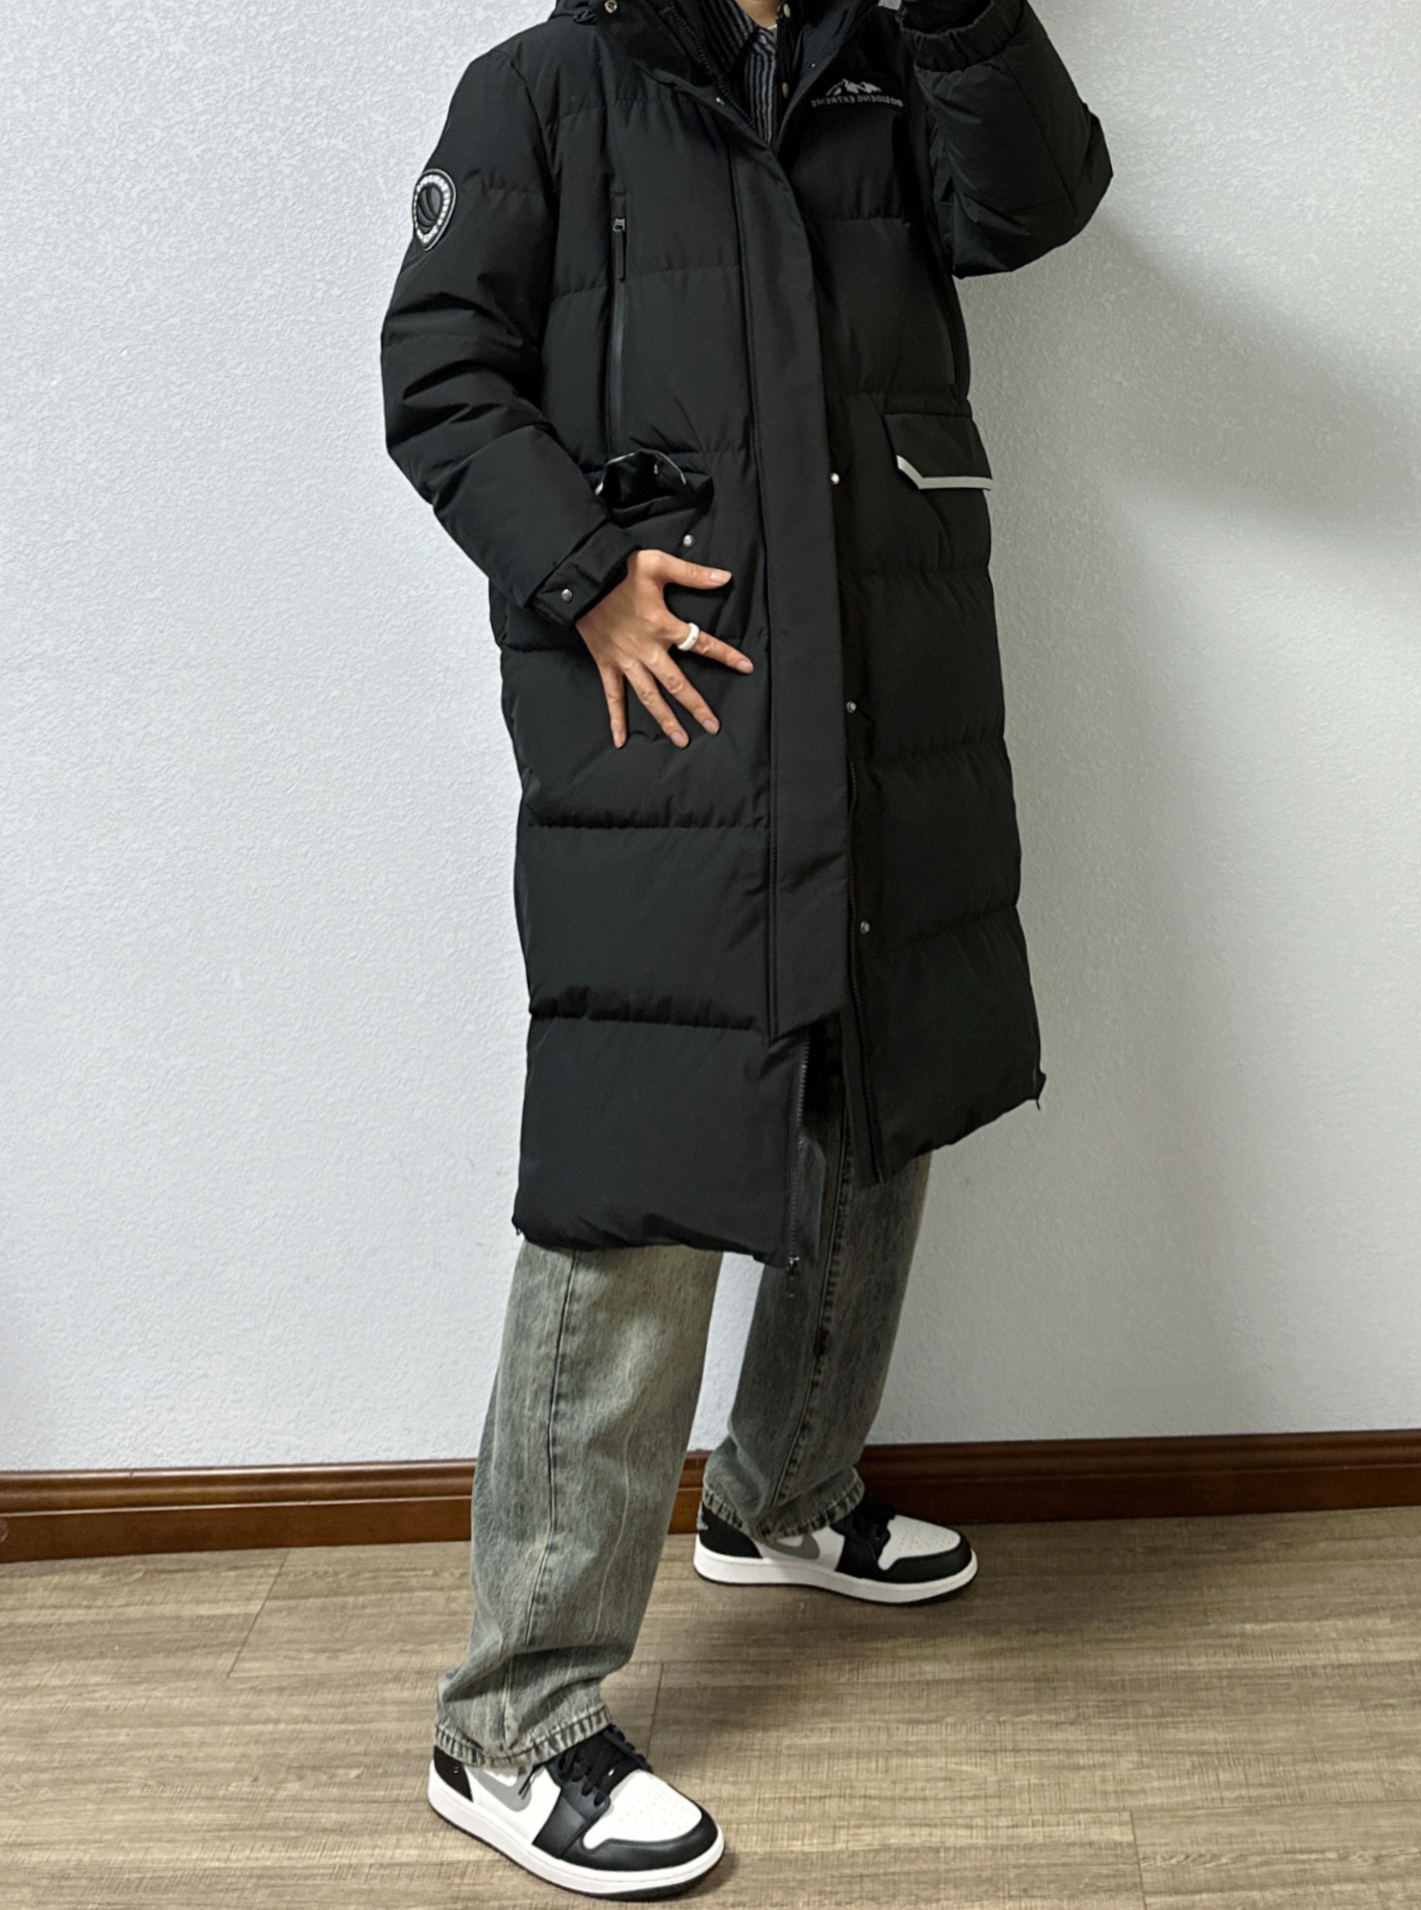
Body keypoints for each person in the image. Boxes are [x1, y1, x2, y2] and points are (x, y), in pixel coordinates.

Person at [380, 0, 1111, 1892]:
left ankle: (783, 1495)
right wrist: (579, 574)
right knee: (640, 1164)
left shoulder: (893, 66)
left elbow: (1035, 202)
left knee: (883, 1084)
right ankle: (511, 1721)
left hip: (889, 691)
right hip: (678, 705)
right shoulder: (542, 89)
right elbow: (439, 366)